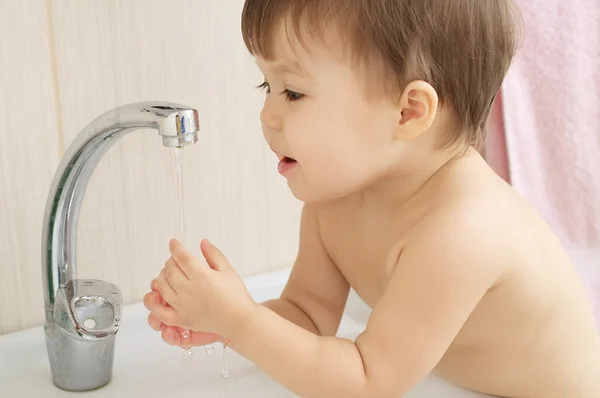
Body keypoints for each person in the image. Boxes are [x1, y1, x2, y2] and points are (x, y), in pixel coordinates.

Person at [143, 1, 600, 397]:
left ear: (408, 112)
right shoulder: (334, 201)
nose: (267, 114)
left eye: (293, 92)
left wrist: (241, 321)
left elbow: (368, 381)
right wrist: (225, 320)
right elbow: (307, 314)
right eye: (267, 86)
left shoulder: (465, 229)